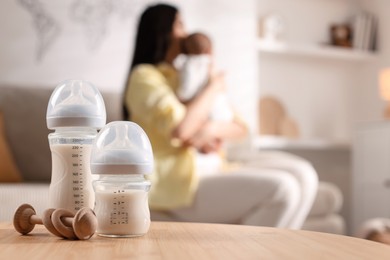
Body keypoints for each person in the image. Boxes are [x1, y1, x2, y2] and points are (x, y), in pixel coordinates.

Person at [123, 3, 318, 229]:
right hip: (175, 182)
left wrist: (209, 130)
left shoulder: (189, 75)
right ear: (162, 30)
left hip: (213, 167)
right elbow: (182, 130)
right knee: (284, 188)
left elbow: (240, 128)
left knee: (305, 174)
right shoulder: (144, 77)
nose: (186, 33)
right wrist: (213, 87)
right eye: (180, 24)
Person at [174, 32, 234, 123]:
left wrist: (181, 96)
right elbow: (218, 84)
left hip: (197, 102)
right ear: (209, 50)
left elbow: (187, 84)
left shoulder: (188, 63)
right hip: (211, 101)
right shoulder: (209, 63)